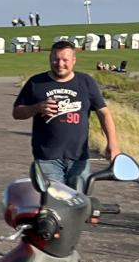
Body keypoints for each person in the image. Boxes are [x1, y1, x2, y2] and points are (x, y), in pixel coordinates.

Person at [13, 40, 122, 194]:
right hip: (47, 157)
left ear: (73, 60)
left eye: (65, 60)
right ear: (50, 59)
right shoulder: (36, 82)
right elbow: (17, 112)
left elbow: (104, 113)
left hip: (79, 158)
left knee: (79, 201)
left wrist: (112, 143)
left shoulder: (86, 82)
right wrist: (36, 108)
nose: (60, 64)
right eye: (56, 59)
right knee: (55, 201)